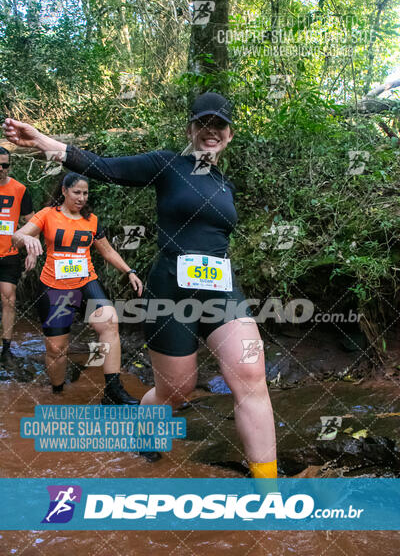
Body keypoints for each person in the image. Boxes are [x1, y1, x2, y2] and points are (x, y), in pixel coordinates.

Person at [3, 92, 277, 478]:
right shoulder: (167, 165)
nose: (211, 131)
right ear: (191, 129)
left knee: (251, 377)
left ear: (230, 134)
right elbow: (104, 168)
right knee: (176, 391)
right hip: (170, 292)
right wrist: (43, 141)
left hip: (221, 290)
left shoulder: (225, 185)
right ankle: (146, 437)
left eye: (219, 125)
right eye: (204, 123)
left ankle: (269, 493)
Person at [11, 172, 143, 405]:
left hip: (86, 282)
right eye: (77, 192)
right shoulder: (47, 215)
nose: (82, 198)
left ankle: (113, 391)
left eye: (85, 193)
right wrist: (27, 239)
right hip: (54, 287)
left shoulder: (91, 220)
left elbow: (108, 251)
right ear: (64, 191)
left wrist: (129, 271)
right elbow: (17, 236)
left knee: (110, 322)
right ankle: (58, 392)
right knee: (57, 349)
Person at [0, 146, 36, 361]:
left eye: (5, 165)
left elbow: (32, 223)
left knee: (9, 300)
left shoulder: (20, 190)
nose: (1, 169)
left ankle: (6, 349)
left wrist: (31, 250)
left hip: (9, 254)